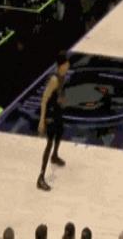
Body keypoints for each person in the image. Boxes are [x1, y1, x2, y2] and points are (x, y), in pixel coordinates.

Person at [37, 51, 70, 191]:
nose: (68, 65)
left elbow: (59, 93)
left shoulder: (62, 76)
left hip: (57, 111)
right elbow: (44, 99)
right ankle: (40, 177)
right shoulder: (54, 80)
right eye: (67, 63)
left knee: (60, 130)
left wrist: (62, 99)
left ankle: (55, 156)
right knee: (49, 142)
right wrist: (41, 120)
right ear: (62, 65)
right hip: (50, 114)